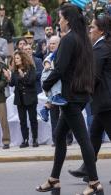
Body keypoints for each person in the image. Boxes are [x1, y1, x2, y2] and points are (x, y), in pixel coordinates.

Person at [36, 4, 104, 195]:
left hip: (70, 97)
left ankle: (94, 183)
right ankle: (54, 179)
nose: (58, 21)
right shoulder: (83, 39)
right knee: (59, 136)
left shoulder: (69, 40)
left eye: (60, 18)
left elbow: (60, 69)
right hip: (80, 95)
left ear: (67, 19)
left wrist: (46, 84)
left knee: (84, 140)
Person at [68, 15, 111, 185]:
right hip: (102, 101)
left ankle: (87, 168)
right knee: (93, 135)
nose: (89, 30)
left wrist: (78, 90)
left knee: (96, 134)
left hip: (106, 102)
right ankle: (87, 168)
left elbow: (94, 76)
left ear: (101, 30)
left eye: (92, 27)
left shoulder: (101, 48)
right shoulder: (103, 46)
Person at [3, 51, 39, 148]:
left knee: (32, 119)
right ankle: (25, 139)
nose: (16, 60)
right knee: (22, 120)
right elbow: (12, 84)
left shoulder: (31, 69)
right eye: (15, 58)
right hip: (20, 99)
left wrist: (23, 76)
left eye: (17, 58)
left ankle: (35, 139)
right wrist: (8, 77)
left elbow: (31, 81)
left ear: (23, 58)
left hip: (30, 98)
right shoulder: (15, 71)